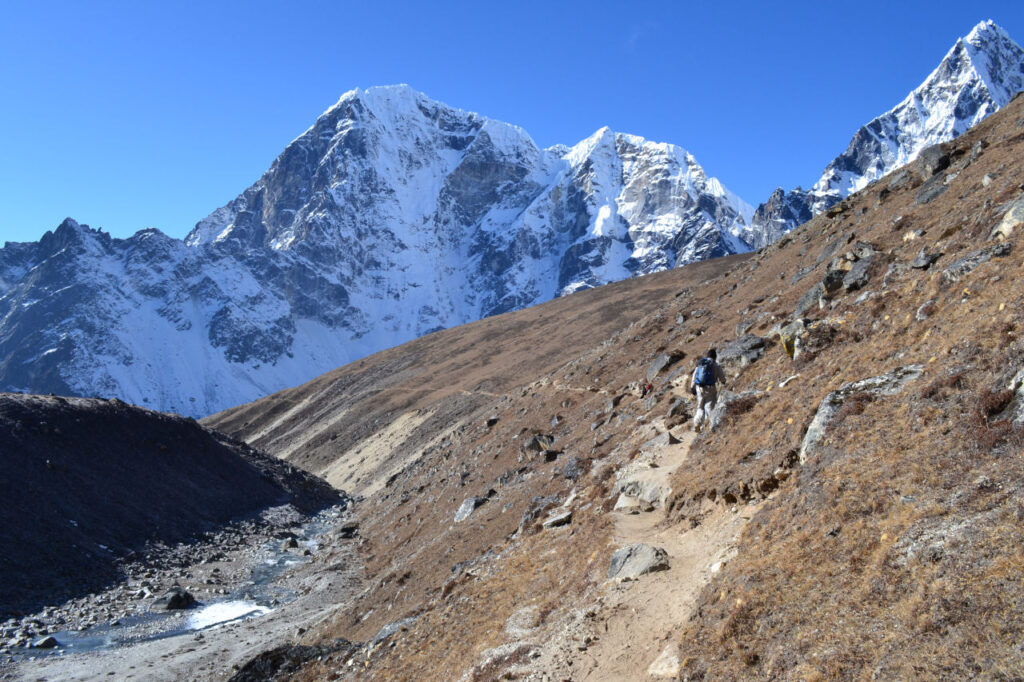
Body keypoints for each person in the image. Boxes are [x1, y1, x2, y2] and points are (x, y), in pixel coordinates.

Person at [689, 348, 726, 433]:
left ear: (707, 355)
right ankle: (712, 426)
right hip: (711, 389)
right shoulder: (716, 365)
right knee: (709, 407)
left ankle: (697, 425)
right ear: (715, 357)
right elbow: (722, 377)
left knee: (700, 407)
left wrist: (692, 388)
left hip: (699, 389)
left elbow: (694, 376)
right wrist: (723, 382)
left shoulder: (701, 363)